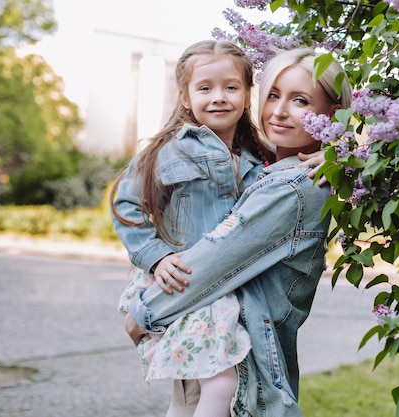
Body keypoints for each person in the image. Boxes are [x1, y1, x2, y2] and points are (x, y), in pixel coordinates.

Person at [125, 47, 352, 416]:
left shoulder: (294, 186)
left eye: (300, 101)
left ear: (332, 115)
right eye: (273, 95)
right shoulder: (266, 166)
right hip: (213, 336)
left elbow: (216, 257)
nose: (278, 112)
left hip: (245, 368)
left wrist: (144, 311)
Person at [112, 39, 276, 417]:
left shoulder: (260, 156)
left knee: (190, 396)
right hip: (186, 284)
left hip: (231, 289)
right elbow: (126, 205)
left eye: (231, 87)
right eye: (205, 88)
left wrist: (324, 155)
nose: (219, 97)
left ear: (248, 93)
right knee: (218, 384)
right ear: (185, 97)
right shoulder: (168, 151)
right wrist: (156, 258)